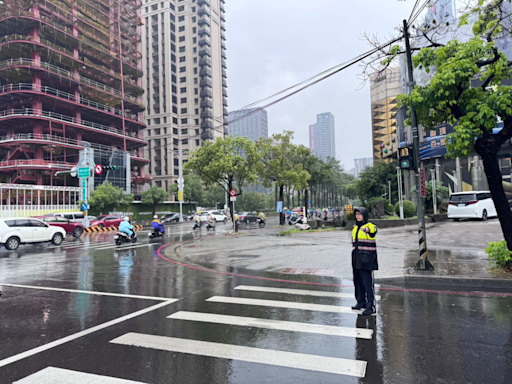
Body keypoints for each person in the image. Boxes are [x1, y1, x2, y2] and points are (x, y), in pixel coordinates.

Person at [351, 207, 378, 316]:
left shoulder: (369, 226)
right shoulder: (355, 228)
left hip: (367, 259)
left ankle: (370, 305)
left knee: (367, 283)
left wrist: (367, 230)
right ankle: (360, 302)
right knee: (358, 282)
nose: (358, 216)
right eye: (356, 214)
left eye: (360, 214)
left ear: (364, 215)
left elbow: (374, 230)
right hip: (356, 258)